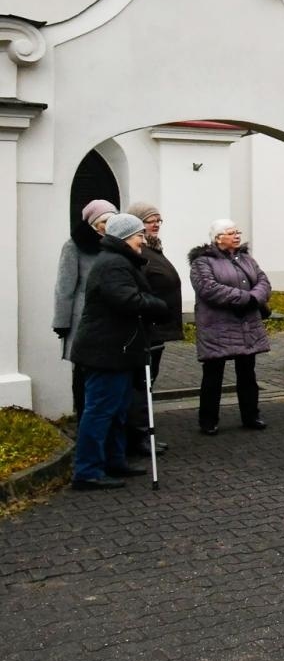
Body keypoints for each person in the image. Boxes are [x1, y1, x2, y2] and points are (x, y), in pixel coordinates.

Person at [69, 213, 169, 490]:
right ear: (126, 237)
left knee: (117, 411)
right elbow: (126, 299)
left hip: (120, 350)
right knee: (100, 411)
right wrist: (157, 305)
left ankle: (114, 460)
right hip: (106, 351)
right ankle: (87, 470)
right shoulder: (113, 264)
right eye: (139, 235)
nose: (142, 240)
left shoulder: (119, 261)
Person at [188, 219, 272, 434]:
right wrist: (246, 298)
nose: (237, 236)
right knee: (213, 376)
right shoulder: (202, 263)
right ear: (218, 238)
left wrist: (255, 298)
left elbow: (263, 282)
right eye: (231, 232)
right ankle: (208, 421)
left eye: (237, 232)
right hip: (217, 327)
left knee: (247, 374)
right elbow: (209, 289)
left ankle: (251, 416)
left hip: (246, 325)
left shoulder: (246, 259)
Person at [123, 203, 181, 455]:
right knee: (141, 385)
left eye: (158, 220)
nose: (155, 224)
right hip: (147, 329)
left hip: (158, 329)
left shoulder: (153, 248)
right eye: (149, 220)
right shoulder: (139, 253)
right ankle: (138, 438)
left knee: (147, 383)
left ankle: (142, 434)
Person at [54, 199, 116, 418]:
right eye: (105, 220)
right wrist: (61, 322)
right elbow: (65, 287)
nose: (110, 225)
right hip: (82, 318)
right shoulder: (74, 246)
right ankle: (83, 418)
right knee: (83, 373)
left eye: (113, 219)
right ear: (94, 223)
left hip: (110, 320)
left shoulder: (116, 245)